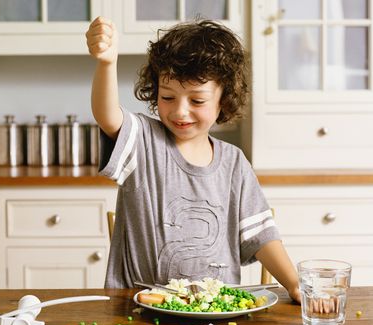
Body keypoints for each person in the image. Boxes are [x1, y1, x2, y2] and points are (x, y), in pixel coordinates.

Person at [86, 17, 300, 302]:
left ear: (223, 100)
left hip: (217, 311)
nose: (180, 112)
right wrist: (106, 63)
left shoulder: (234, 163)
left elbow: (261, 237)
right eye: (167, 97)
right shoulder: (143, 142)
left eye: (197, 101)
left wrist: (295, 284)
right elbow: (107, 115)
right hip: (139, 311)